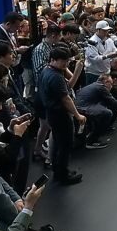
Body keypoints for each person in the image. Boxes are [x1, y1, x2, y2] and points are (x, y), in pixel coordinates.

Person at [37, 48, 86, 185]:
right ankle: (63, 175)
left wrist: (75, 71)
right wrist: (77, 115)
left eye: (67, 61)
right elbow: (66, 98)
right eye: (63, 62)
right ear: (53, 60)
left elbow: (67, 86)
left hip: (51, 112)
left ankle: (60, 170)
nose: (65, 64)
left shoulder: (47, 71)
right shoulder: (55, 76)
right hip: (60, 114)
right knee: (65, 144)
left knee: (59, 143)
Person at [75, 74, 117, 148]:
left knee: (107, 106)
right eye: (111, 84)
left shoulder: (94, 85)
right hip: (84, 108)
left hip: (81, 106)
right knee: (107, 113)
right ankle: (91, 141)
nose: (111, 86)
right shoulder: (101, 87)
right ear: (106, 82)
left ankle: (99, 129)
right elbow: (115, 104)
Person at [84, 21, 117, 85]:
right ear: (98, 30)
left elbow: (115, 51)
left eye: (107, 30)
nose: (106, 32)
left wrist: (116, 59)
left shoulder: (109, 40)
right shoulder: (91, 42)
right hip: (94, 73)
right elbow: (94, 59)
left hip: (106, 72)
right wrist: (108, 56)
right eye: (104, 31)